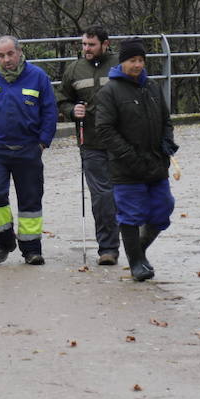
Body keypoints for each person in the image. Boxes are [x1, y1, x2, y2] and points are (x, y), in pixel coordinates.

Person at [93, 39, 177, 282]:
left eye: (141, 60)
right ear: (123, 62)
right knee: (130, 215)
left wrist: (166, 143)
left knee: (163, 209)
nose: (138, 65)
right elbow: (105, 130)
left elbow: (166, 119)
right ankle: (136, 263)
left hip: (156, 163)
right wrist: (129, 156)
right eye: (132, 60)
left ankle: (138, 249)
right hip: (126, 167)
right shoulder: (110, 92)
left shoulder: (152, 87)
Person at [0, 35, 57, 266]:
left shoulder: (38, 77)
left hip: (28, 147)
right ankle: (4, 241)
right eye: (1, 55)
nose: (6, 59)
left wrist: (42, 142)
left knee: (30, 200)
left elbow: (50, 112)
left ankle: (31, 250)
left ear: (19, 52)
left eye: (10, 54)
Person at [57, 26, 120, 264]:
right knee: (101, 196)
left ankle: (134, 242)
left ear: (105, 43)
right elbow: (62, 99)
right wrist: (72, 111)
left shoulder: (120, 64)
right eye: (83, 44)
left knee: (122, 194)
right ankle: (108, 248)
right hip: (90, 142)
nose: (86, 49)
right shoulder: (74, 69)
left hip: (121, 142)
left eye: (91, 45)